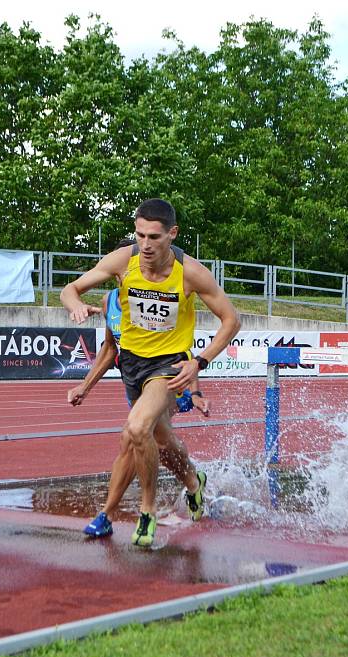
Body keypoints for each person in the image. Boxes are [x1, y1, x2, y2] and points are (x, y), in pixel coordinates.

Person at [61, 198, 240, 547]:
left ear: (172, 234)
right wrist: (76, 306)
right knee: (150, 439)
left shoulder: (190, 272)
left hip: (168, 366)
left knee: (136, 429)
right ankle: (192, 482)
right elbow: (70, 289)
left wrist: (199, 363)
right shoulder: (123, 260)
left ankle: (144, 512)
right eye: (140, 235)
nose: (145, 245)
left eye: (154, 237)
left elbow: (232, 320)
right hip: (132, 364)